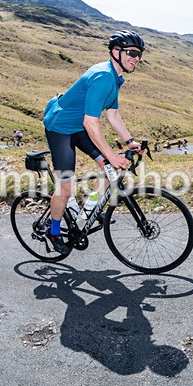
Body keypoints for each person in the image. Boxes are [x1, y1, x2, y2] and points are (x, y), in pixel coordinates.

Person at [42, 29, 144, 254]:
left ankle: (89, 211)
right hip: (60, 129)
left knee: (109, 171)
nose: (136, 58)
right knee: (66, 187)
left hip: (78, 128)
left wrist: (129, 142)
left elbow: (113, 115)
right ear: (115, 52)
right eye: (131, 53)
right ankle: (53, 230)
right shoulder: (102, 76)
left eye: (139, 54)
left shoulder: (115, 78)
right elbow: (91, 122)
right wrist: (112, 155)